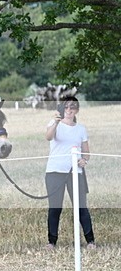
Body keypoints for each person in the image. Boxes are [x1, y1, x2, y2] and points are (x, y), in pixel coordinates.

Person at [44, 95, 95, 249]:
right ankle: (51, 241)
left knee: (81, 207)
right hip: (54, 171)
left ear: (77, 110)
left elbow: (86, 152)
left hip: (75, 172)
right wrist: (56, 122)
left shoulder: (81, 129)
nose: (69, 110)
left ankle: (90, 240)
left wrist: (84, 160)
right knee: (55, 207)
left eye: (72, 107)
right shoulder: (54, 123)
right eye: (66, 107)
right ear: (62, 109)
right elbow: (48, 137)